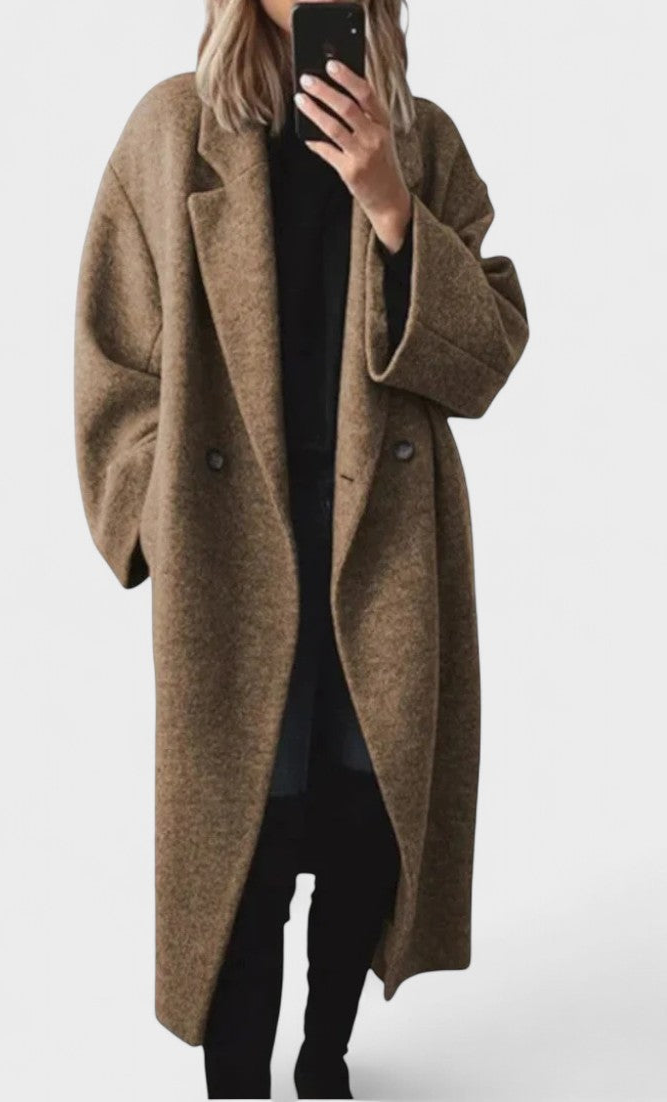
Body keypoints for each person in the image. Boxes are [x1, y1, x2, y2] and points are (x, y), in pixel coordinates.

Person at [73, 0, 529, 1098]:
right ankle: (239, 1082)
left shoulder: (423, 142)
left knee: (367, 824)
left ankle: (324, 1061)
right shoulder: (170, 131)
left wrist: (391, 203)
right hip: (233, 553)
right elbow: (113, 358)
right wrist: (156, 518)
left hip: (382, 550)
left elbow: (486, 357)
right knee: (246, 839)